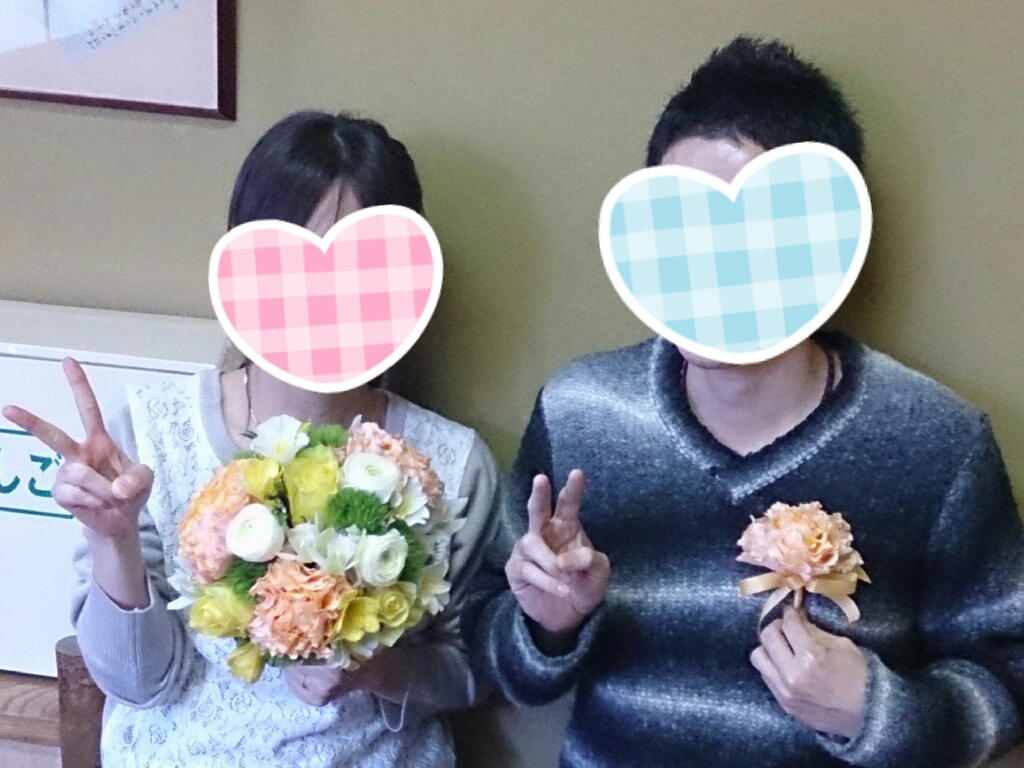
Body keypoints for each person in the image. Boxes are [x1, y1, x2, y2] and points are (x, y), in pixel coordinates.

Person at [463, 37, 1024, 768]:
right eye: (681, 230)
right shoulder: (582, 414)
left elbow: (1011, 672)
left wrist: (878, 711)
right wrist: (549, 626)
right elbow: (493, 653)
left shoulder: (934, 441)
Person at [4, 111, 502, 768]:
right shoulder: (151, 434)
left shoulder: (452, 466)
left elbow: (471, 670)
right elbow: (137, 684)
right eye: (289, 266)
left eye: (357, 270)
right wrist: (111, 539)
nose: (321, 299)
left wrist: (380, 671)